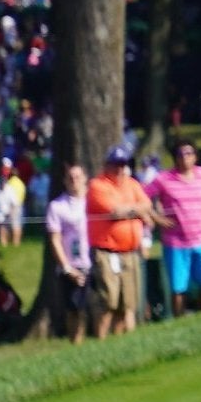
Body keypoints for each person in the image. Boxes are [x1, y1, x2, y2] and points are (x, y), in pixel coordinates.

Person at [86, 144, 155, 337]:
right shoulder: (98, 185)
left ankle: (123, 343)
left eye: (123, 164)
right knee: (109, 301)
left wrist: (131, 210)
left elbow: (147, 205)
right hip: (107, 252)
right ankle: (101, 341)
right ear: (107, 165)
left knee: (129, 303)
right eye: (115, 164)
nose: (119, 169)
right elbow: (115, 212)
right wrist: (136, 210)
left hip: (130, 251)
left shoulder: (131, 183)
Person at [147, 140, 201, 315]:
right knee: (178, 287)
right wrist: (157, 218)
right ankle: (181, 320)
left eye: (189, 154)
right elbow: (143, 197)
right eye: (181, 154)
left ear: (195, 156)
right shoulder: (163, 179)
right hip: (176, 242)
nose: (185, 158)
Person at [44, 163, 92, 343]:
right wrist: (66, 268)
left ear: (85, 178)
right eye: (70, 178)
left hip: (96, 258)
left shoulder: (93, 201)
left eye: (78, 177)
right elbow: (54, 239)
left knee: (105, 304)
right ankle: (76, 345)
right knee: (75, 309)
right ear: (64, 181)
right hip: (74, 265)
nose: (74, 181)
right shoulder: (57, 206)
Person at [0, 157, 26, 246]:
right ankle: (7, 244)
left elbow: (16, 199)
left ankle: (15, 244)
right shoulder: (7, 183)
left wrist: (12, 209)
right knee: (5, 227)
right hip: (6, 207)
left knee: (14, 226)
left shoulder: (13, 184)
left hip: (15, 207)